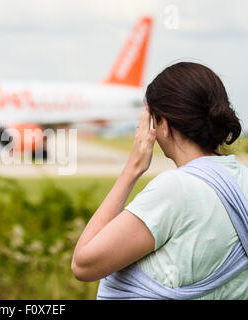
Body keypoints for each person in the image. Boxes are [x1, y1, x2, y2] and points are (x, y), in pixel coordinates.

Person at [71, 62, 247, 299]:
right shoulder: (243, 179)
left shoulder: (176, 190)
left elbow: (83, 265)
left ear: (163, 124)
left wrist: (132, 169)